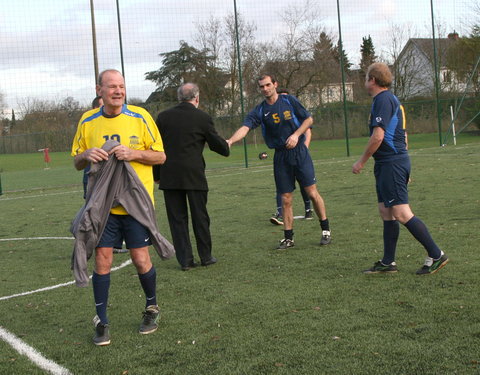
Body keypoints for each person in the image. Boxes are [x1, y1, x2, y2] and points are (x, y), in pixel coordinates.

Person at [71, 69, 168, 346]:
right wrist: (86, 155)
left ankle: (152, 308)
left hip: (136, 205)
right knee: (102, 260)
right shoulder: (87, 121)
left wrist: (134, 153)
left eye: (121, 86)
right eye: (112, 86)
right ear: (99, 89)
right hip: (103, 206)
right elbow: (76, 160)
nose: (118, 91)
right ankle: (101, 321)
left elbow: (161, 155)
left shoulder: (140, 117)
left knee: (140, 259)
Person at [352, 62, 448, 275]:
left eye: (366, 77)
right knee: (386, 211)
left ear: (373, 80)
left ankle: (436, 254)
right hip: (391, 163)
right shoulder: (390, 99)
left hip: (391, 163)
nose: (365, 81)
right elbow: (403, 135)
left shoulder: (383, 99)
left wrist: (362, 161)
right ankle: (388, 263)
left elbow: (378, 136)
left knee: (401, 212)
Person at [227, 74, 331, 249]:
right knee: (286, 198)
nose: (265, 89)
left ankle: (325, 230)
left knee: (312, 193)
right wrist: (230, 141)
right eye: (262, 86)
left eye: (268, 85)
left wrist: (297, 135)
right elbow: (245, 128)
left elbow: (308, 120)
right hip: (281, 156)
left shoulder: (289, 100)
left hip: (299, 153)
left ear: (275, 84)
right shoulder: (259, 110)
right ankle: (288, 238)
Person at [154, 83, 230, 270]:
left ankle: (186, 261)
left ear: (179, 97)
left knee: (177, 219)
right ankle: (206, 256)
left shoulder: (163, 117)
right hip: (194, 174)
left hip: (169, 175)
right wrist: (226, 145)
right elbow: (216, 145)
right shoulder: (202, 117)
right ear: (197, 98)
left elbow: (155, 146)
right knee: (200, 216)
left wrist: (157, 175)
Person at [270, 88, 313, 225]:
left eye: (284, 97)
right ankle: (280, 213)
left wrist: (304, 148)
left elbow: (308, 130)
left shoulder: (295, 111)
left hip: (300, 154)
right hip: (284, 156)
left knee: (305, 185)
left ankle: (308, 209)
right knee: (282, 186)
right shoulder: (274, 113)